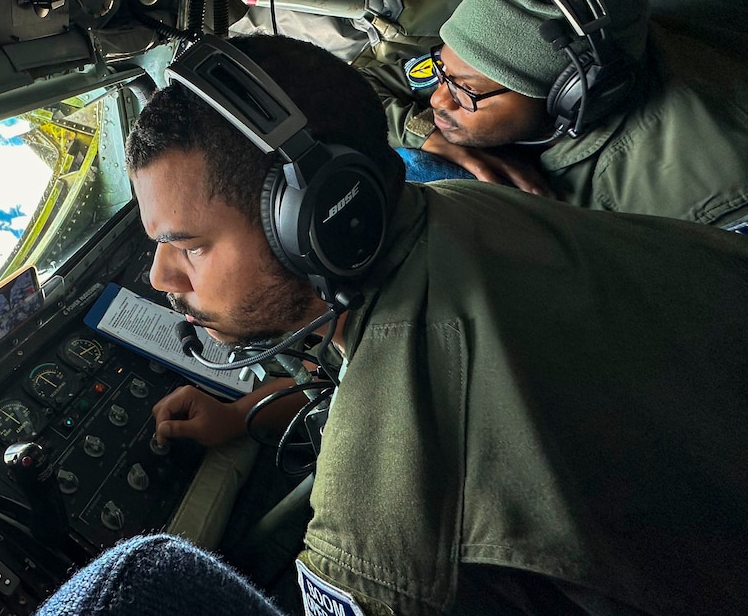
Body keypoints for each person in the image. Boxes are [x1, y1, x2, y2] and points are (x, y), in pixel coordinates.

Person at [37, 31, 748, 616]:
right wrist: (248, 410)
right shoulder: (462, 211)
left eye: (189, 245)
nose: (161, 278)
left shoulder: (373, 542)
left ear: (318, 225)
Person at [366, 0, 748, 233]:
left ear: (570, 97)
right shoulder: (479, 62)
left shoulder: (703, 196)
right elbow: (366, 83)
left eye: (464, 91)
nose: (438, 97)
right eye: (441, 71)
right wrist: (426, 133)